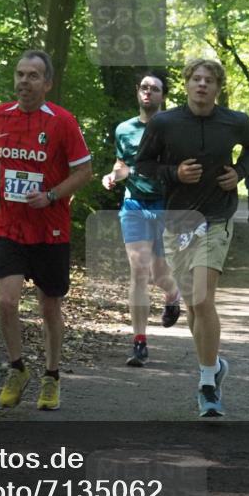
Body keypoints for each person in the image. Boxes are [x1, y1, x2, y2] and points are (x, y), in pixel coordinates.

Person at [136, 58, 249, 417]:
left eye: (209, 80)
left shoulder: (234, 121)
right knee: (194, 304)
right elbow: (143, 166)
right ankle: (215, 364)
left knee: (203, 299)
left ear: (218, 87)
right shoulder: (165, 122)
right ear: (187, 84)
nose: (202, 85)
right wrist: (174, 173)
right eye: (196, 79)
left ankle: (207, 383)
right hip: (178, 221)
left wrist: (239, 171)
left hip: (217, 218)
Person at [0, 50, 93, 411]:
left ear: (47, 83)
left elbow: (85, 172)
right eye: (20, 74)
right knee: (6, 301)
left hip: (50, 229)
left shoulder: (62, 121)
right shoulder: (1, 114)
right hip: (10, 224)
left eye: (32, 76)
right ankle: (17, 368)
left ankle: (51, 375)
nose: (24, 82)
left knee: (48, 306)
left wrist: (52, 195)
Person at [102, 72, 182, 367]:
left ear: (163, 96)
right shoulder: (124, 129)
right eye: (144, 87)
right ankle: (139, 342)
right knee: (139, 271)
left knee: (159, 275)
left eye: (155, 89)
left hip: (165, 206)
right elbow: (121, 164)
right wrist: (111, 176)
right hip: (133, 205)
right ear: (138, 92)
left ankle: (173, 294)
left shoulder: (173, 129)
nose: (148, 92)